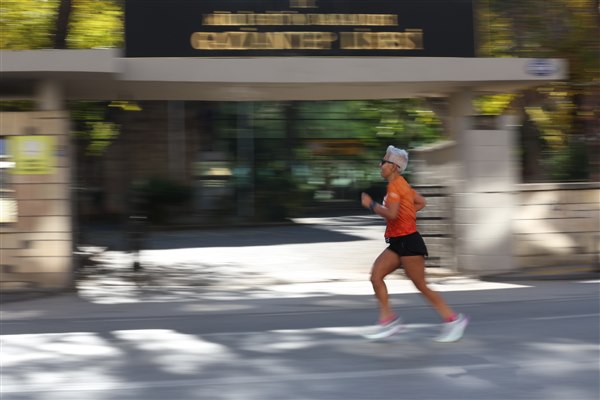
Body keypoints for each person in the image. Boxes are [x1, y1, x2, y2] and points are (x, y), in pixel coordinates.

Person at [360, 145, 469, 342]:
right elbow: (421, 202)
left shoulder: (396, 186)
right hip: (398, 242)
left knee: (421, 285)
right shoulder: (402, 184)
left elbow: (392, 214)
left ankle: (454, 320)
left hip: (408, 242)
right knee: (376, 277)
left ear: (393, 166)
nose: (380, 165)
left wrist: (372, 205)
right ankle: (388, 320)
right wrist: (406, 214)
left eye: (383, 162)